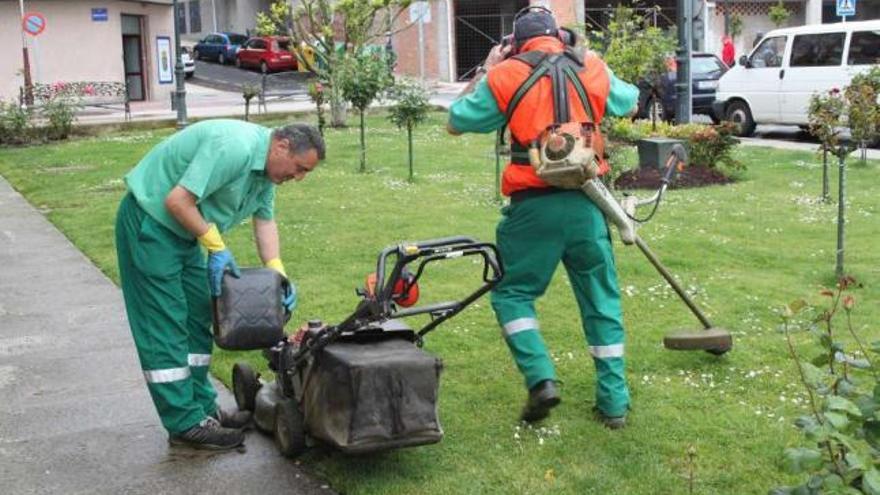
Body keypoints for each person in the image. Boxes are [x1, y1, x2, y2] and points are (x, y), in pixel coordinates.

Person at [446, 8, 639, 429]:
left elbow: (456, 121)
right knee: (601, 301)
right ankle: (614, 404)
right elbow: (631, 100)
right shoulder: (591, 66)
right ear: (561, 37)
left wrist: (488, 70)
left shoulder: (505, 75)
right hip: (589, 205)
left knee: (512, 295)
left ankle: (541, 378)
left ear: (515, 44)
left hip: (532, 207)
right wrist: (587, 63)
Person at [115, 120, 324, 450]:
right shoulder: (234, 148)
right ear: (281, 146)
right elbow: (177, 201)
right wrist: (215, 245)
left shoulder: (265, 173)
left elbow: (265, 220)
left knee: (200, 315)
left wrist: (277, 273)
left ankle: (202, 408)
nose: (297, 178)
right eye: (299, 169)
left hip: (182, 233)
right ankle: (184, 422)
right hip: (150, 225)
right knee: (165, 324)